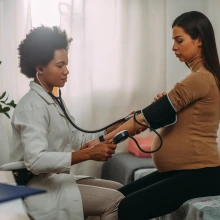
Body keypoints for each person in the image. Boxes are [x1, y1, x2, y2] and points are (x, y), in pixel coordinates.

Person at [85, 11, 220, 219]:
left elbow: (145, 118)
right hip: (183, 170)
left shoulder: (200, 79)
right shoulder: (199, 78)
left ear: (199, 40)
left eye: (179, 40)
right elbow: (173, 118)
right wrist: (163, 110)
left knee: (125, 208)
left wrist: (101, 140)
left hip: (200, 173)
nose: (174, 47)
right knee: (116, 198)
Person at [10, 25, 126, 220]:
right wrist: (87, 154)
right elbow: (36, 160)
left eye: (66, 64)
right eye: (60, 65)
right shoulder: (31, 106)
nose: (67, 71)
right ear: (39, 68)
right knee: (117, 201)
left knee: (122, 190)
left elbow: (77, 137)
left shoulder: (53, 100)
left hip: (55, 181)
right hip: (39, 187)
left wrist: (113, 129)